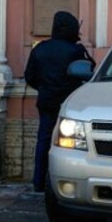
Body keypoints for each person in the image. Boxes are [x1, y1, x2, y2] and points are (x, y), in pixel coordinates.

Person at [24, 11, 94, 192]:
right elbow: (89, 73)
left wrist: (44, 88)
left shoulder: (40, 49)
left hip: (46, 102)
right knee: (71, 146)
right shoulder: (76, 50)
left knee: (44, 141)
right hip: (69, 105)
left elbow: (29, 76)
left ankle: (38, 182)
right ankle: (66, 183)